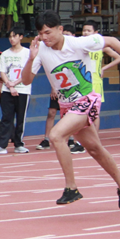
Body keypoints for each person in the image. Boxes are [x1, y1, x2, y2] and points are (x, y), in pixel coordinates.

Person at [21, 10, 120, 208]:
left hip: (87, 99)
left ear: (60, 29)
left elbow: (111, 41)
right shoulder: (40, 50)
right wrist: (31, 59)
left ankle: (71, 187)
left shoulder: (77, 43)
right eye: (41, 33)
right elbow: (26, 80)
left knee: (56, 135)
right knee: (94, 148)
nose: (44, 37)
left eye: (48, 32)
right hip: (67, 106)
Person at [36, 24, 84, 153]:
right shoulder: (48, 51)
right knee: (52, 112)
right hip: (58, 88)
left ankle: (72, 140)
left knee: (71, 118)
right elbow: (52, 72)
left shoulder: (77, 48)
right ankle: (46, 139)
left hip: (76, 92)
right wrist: (53, 88)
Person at [0, 27, 31, 155]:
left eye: (14, 36)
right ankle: (1, 145)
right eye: (10, 37)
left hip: (23, 89)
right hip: (7, 90)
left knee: (20, 118)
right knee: (6, 117)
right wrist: (9, 85)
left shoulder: (27, 53)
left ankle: (19, 144)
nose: (12, 39)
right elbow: (2, 72)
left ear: (21, 37)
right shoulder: (5, 54)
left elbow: (28, 71)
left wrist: (16, 83)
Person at [81, 20, 120, 133]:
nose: (85, 33)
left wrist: (103, 68)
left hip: (96, 81)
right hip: (83, 81)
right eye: (84, 30)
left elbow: (119, 58)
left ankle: (95, 136)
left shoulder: (101, 46)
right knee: (83, 110)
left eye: (89, 30)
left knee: (94, 111)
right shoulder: (79, 45)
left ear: (96, 32)